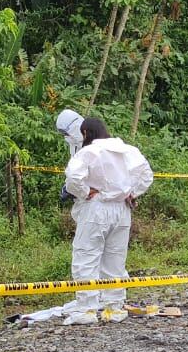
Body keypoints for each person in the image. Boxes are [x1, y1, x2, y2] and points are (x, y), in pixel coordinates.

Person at [61, 117, 154, 324]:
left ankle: (86, 310)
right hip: (122, 209)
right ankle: (114, 308)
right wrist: (133, 193)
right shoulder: (128, 150)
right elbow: (147, 175)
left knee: (86, 257)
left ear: (86, 133)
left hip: (97, 207)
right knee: (115, 260)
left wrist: (85, 192)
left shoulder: (88, 152)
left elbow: (73, 179)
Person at [56, 109, 85, 202]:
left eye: (65, 132)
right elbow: (74, 170)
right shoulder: (75, 144)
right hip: (83, 197)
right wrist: (67, 186)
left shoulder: (93, 144)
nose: (65, 135)